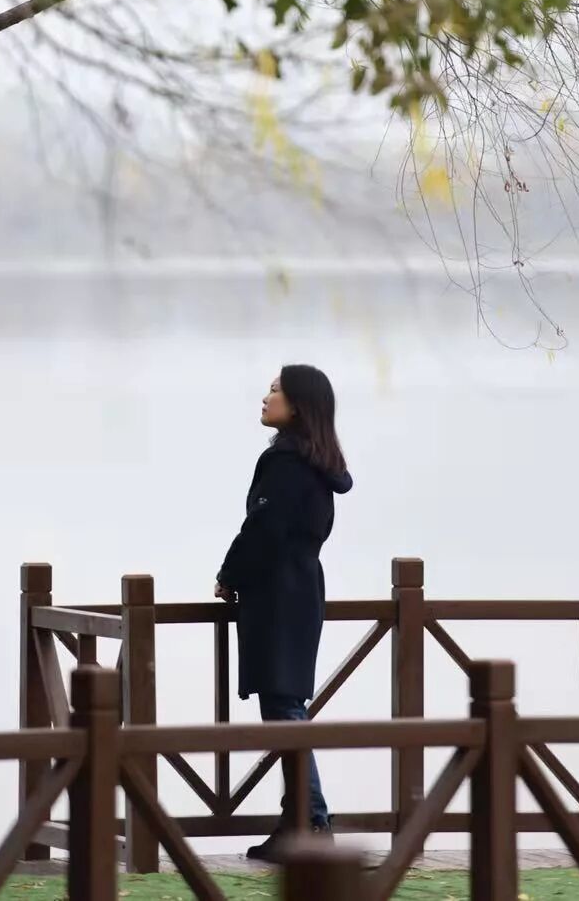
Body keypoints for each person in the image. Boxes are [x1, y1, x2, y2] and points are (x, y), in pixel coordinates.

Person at [215, 364, 353, 863]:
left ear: (297, 405)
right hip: (301, 591)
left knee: (285, 710)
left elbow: (263, 530)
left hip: (278, 594)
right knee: (284, 705)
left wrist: (228, 574)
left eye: (275, 390)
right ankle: (298, 822)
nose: (266, 396)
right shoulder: (315, 463)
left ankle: (312, 823)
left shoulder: (287, 464)